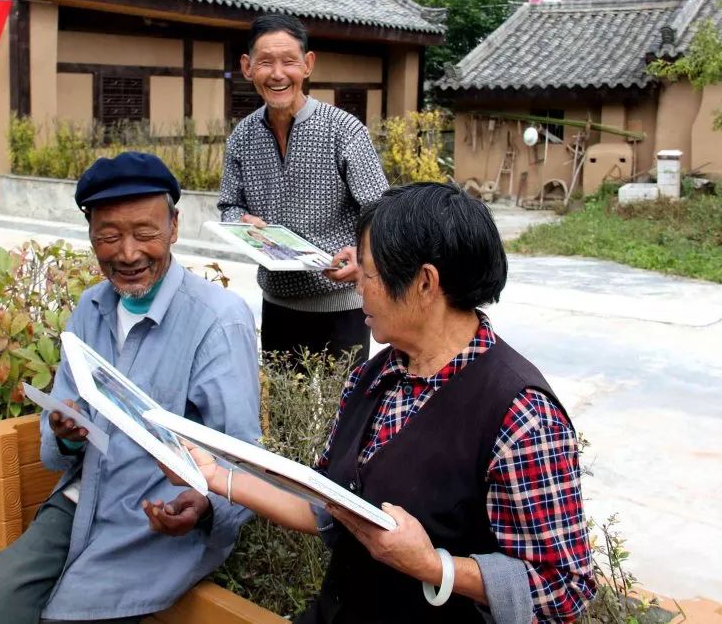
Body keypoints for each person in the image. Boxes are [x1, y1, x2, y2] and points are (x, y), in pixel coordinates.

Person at [161, 183, 596, 623]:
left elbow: (565, 587)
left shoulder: (520, 415)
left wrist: (433, 566)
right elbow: (326, 507)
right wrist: (214, 477)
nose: (360, 289)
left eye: (368, 273)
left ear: (425, 283)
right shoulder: (376, 375)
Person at [0, 152, 261, 624]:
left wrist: (203, 505)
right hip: (83, 497)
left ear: (174, 227)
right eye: (109, 236)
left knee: (67, 615)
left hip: (155, 515)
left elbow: (241, 454)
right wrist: (64, 431)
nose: (128, 253)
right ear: (91, 236)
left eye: (145, 233)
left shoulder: (218, 319)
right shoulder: (90, 307)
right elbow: (56, 447)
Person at [218, 14, 388, 362]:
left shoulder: (343, 130)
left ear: (307, 65)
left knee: (343, 411)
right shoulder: (242, 137)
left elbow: (382, 211)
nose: (277, 74)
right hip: (278, 304)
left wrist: (363, 254)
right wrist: (244, 225)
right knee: (282, 413)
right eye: (265, 62)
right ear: (248, 67)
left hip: (343, 303)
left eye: (289, 62)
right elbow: (229, 206)